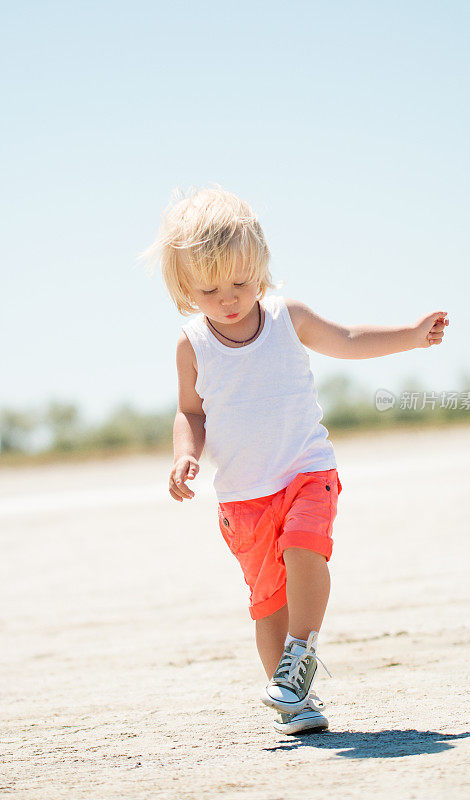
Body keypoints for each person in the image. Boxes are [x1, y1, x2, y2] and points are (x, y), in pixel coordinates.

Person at [141, 184, 449, 735]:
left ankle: (302, 650)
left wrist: (411, 335)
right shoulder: (193, 345)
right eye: (211, 290)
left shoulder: (288, 318)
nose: (230, 298)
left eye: (241, 281)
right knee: (267, 606)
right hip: (243, 495)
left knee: (306, 547)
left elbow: (350, 338)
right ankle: (290, 696)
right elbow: (190, 412)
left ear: (261, 266)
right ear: (185, 289)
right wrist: (184, 456)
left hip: (307, 471)